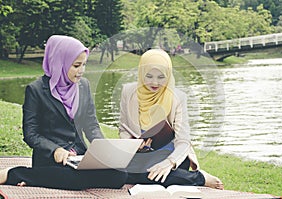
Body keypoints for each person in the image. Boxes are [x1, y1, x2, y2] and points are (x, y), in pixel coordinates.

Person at [0, 35, 127, 190]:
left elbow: (91, 125)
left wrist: (102, 148)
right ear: (60, 62)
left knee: (120, 176)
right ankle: (16, 174)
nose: (81, 71)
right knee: (73, 180)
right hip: (51, 159)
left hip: (79, 158)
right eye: (76, 65)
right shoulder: (36, 90)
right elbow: (31, 134)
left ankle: (36, 178)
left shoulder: (83, 86)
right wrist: (55, 150)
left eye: (84, 65)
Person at [119, 49, 224, 189]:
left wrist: (169, 162)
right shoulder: (128, 92)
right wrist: (133, 143)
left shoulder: (178, 97)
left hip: (173, 156)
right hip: (140, 156)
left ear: (168, 75)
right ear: (141, 73)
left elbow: (183, 141)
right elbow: (123, 129)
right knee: (119, 174)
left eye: (161, 77)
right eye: (149, 76)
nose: (154, 82)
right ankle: (190, 177)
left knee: (149, 172)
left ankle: (199, 178)